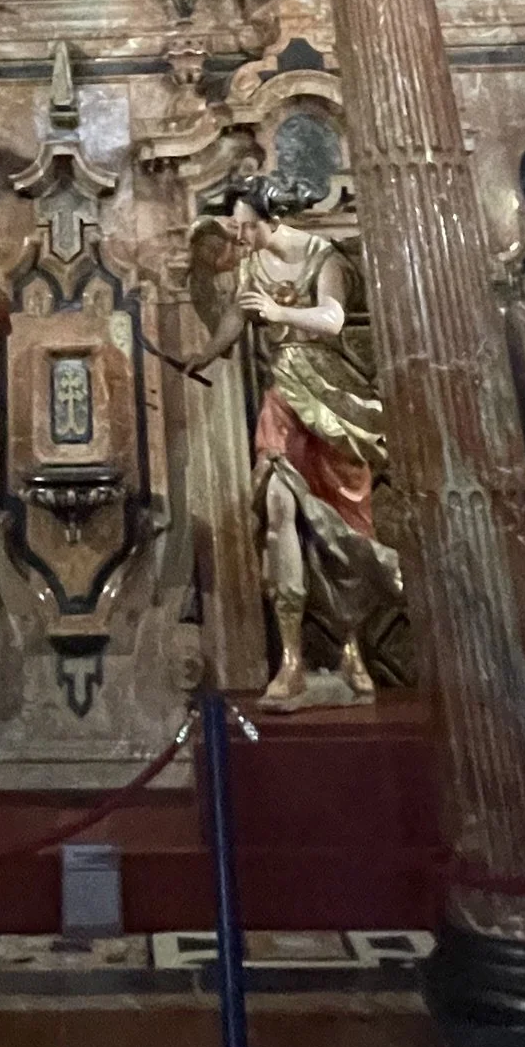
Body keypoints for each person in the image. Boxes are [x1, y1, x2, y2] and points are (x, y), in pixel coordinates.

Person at [190, 170, 403, 707]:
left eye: (246, 225)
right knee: (278, 512)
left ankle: (352, 652)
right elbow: (236, 319)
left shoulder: (321, 255)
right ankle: (290, 660)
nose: (239, 235)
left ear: (272, 218)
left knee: (347, 532)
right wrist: (204, 355)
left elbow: (332, 319)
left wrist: (279, 312)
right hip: (283, 396)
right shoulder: (252, 264)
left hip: (333, 399)